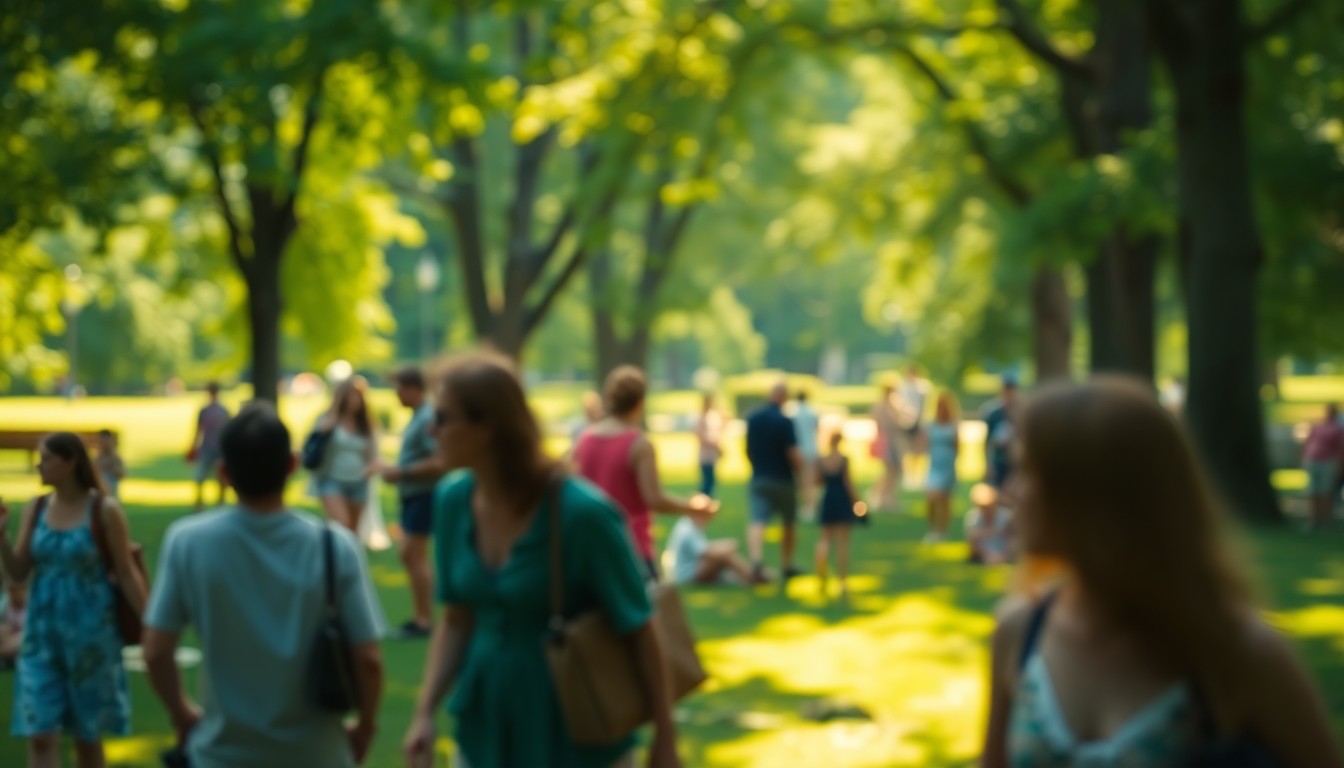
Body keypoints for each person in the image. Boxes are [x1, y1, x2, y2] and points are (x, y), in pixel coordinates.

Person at [980, 378, 1344, 768]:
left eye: (1026, 471)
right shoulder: (1020, 633)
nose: (1010, 491)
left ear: (1090, 493)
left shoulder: (1240, 653)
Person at [402, 352, 680, 768]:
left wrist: (665, 738)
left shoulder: (581, 514)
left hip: (575, 730)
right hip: (486, 727)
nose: (431, 429)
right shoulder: (452, 501)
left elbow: (640, 627)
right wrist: (424, 713)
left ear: (489, 427)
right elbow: (458, 618)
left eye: (443, 418)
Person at [142, 402, 385, 768]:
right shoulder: (335, 546)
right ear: (292, 464)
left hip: (221, 754)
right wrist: (365, 726)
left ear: (224, 473)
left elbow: (157, 651)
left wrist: (182, 714)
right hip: (317, 755)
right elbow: (368, 660)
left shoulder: (189, 542)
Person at [0, 432, 147, 768]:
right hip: (41, 636)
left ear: (70, 463)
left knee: (87, 736)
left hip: (91, 638)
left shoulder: (104, 510)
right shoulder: (35, 508)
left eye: (47, 458)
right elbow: (19, 572)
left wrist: (149, 624)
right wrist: (1, 538)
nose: (39, 464)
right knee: (40, 733)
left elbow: (126, 572)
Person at [574, 366, 717, 581]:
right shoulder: (639, 445)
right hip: (631, 546)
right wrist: (694, 506)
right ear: (640, 402)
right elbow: (654, 499)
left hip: (590, 546)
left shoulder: (584, 441)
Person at [378, 367, 448, 639]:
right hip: (413, 495)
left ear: (413, 388)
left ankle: (425, 620)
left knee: (413, 555)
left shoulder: (426, 418)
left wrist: (402, 473)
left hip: (424, 495)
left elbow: (440, 461)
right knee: (409, 555)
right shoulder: (418, 416)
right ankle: (422, 616)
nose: (395, 394)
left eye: (399, 388)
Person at [745, 381, 805, 583]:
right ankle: (787, 564)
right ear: (784, 397)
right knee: (788, 523)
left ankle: (756, 559)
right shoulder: (785, 421)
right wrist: (802, 474)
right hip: (782, 478)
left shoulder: (753, 419)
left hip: (759, 476)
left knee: (757, 519)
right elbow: (793, 453)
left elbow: (747, 449)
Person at [311, 378, 380, 533]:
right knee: (341, 524)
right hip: (332, 479)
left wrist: (372, 468)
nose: (354, 400)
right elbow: (316, 439)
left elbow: (372, 454)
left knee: (353, 532)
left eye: (357, 396)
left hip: (358, 481)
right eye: (350, 396)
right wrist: (334, 412)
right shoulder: (328, 420)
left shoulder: (366, 424)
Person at [813, 428, 866, 600]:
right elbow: (848, 484)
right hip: (842, 499)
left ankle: (821, 573)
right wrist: (859, 504)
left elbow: (817, 481)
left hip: (828, 499)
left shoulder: (822, 460)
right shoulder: (843, 460)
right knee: (843, 542)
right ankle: (842, 580)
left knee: (825, 539)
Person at [664, 511, 764, 586]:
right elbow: (706, 552)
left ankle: (752, 574)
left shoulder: (687, 524)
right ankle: (752, 577)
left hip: (690, 569)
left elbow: (703, 548)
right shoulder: (687, 530)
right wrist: (727, 546)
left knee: (724, 554)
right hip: (686, 576)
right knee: (724, 555)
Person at [922, 390, 961, 543]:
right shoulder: (931, 424)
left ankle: (942, 530)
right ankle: (933, 529)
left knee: (945, 500)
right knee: (931, 498)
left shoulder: (953, 424)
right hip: (934, 465)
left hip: (948, 465)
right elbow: (925, 443)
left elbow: (957, 446)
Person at [187, 381, 231, 513]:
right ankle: (204, 505)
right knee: (202, 478)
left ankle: (217, 505)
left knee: (218, 479)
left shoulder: (222, 411)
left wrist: (193, 447)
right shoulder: (216, 410)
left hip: (216, 449)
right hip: (209, 448)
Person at [1301, 403, 1343, 533]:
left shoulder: (1338, 430)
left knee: (1325, 493)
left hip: (1327, 462)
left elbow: (1340, 449)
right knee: (1313, 492)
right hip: (1313, 461)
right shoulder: (1318, 426)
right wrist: (1304, 458)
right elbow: (1308, 442)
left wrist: (1339, 466)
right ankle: (1313, 520)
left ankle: (1325, 522)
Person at [869, 383, 907, 512]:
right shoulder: (884, 406)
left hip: (890, 442)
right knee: (890, 471)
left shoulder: (889, 405)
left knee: (891, 471)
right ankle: (885, 498)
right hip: (887, 443)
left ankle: (885, 497)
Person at [980, 376, 1018, 489]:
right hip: (997, 459)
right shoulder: (993, 412)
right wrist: (988, 464)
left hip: (1013, 461)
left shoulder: (1019, 411)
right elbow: (988, 441)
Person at [965, 483, 1013, 565]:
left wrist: (1003, 556)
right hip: (983, 552)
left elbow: (1012, 539)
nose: (986, 509)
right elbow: (972, 538)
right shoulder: (974, 517)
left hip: (1003, 551)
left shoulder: (1006, 516)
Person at [900, 364, 931, 484]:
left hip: (919, 421)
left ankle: (917, 476)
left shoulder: (922, 387)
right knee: (908, 449)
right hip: (907, 421)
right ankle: (909, 476)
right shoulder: (903, 387)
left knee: (919, 449)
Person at [793, 390, 821, 512]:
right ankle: (811, 504)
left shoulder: (795, 414)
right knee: (810, 479)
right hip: (811, 449)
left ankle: (807, 505)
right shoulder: (812, 413)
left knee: (802, 480)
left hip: (800, 450)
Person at [694, 393, 725, 497]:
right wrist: (714, 444)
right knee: (708, 481)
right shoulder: (701, 417)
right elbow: (700, 436)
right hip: (705, 454)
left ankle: (706, 502)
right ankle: (700, 503)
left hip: (713, 454)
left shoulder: (714, 416)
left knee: (711, 481)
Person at [0, 576, 27, 668]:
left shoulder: (30, 604)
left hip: (26, 637)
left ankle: (8, 658)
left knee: (21, 638)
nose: (14, 593)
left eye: (16, 589)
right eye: (11, 590)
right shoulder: (6, 602)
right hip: (11, 636)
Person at [94, 430, 125, 502]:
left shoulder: (116, 459)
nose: (104, 444)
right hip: (99, 494)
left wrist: (113, 467)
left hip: (112, 493)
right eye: (101, 441)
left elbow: (122, 474)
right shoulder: (96, 459)